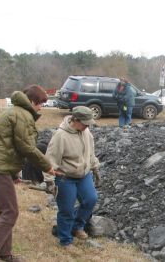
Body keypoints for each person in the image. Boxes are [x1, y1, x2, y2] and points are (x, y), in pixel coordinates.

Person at [0, 85, 57, 262]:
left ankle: (4, 254)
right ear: (32, 102)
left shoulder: (17, 112)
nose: (41, 107)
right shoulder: (22, 115)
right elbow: (26, 147)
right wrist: (47, 166)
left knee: (7, 212)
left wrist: (13, 174)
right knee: (10, 213)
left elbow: (8, 146)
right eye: (40, 103)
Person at [44, 106, 100, 248]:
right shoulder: (60, 136)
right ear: (75, 120)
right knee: (66, 209)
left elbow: (90, 153)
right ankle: (65, 239)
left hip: (84, 175)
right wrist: (49, 181)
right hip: (65, 177)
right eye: (85, 123)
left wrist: (95, 167)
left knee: (90, 199)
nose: (88, 126)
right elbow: (50, 160)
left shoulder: (86, 132)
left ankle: (76, 226)